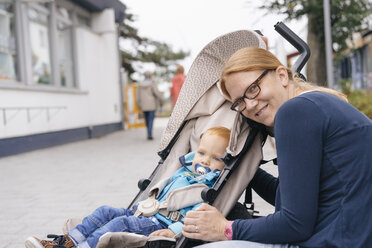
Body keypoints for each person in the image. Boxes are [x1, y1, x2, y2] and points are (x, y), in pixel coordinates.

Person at [182, 47, 372, 247]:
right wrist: (241, 168)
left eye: (253, 88)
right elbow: (290, 200)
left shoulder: (295, 111)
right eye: (240, 102)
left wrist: (225, 228)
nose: (250, 104)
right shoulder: (318, 104)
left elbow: (295, 223)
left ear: (282, 75)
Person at [25, 127, 231, 248]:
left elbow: (197, 216)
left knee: (121, 223)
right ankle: (66, 241)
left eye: (215, 158)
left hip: (160, 223)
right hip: (144, 211)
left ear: (225, 163)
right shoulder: (184, 170)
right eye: (202, 153)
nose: (204, 161)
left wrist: (173, 230)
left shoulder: (208, 187)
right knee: (105, 211)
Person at [136, 71, 163, 140]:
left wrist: (138, 104)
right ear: (150, 76)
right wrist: (161, 101)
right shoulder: (152, 83)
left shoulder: (139, 85)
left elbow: (137, 96)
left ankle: (148, 133)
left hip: (143, 105)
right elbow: (157, 93)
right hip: (151, 105)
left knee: (147, 120)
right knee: (151, 119)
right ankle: (149, 134)